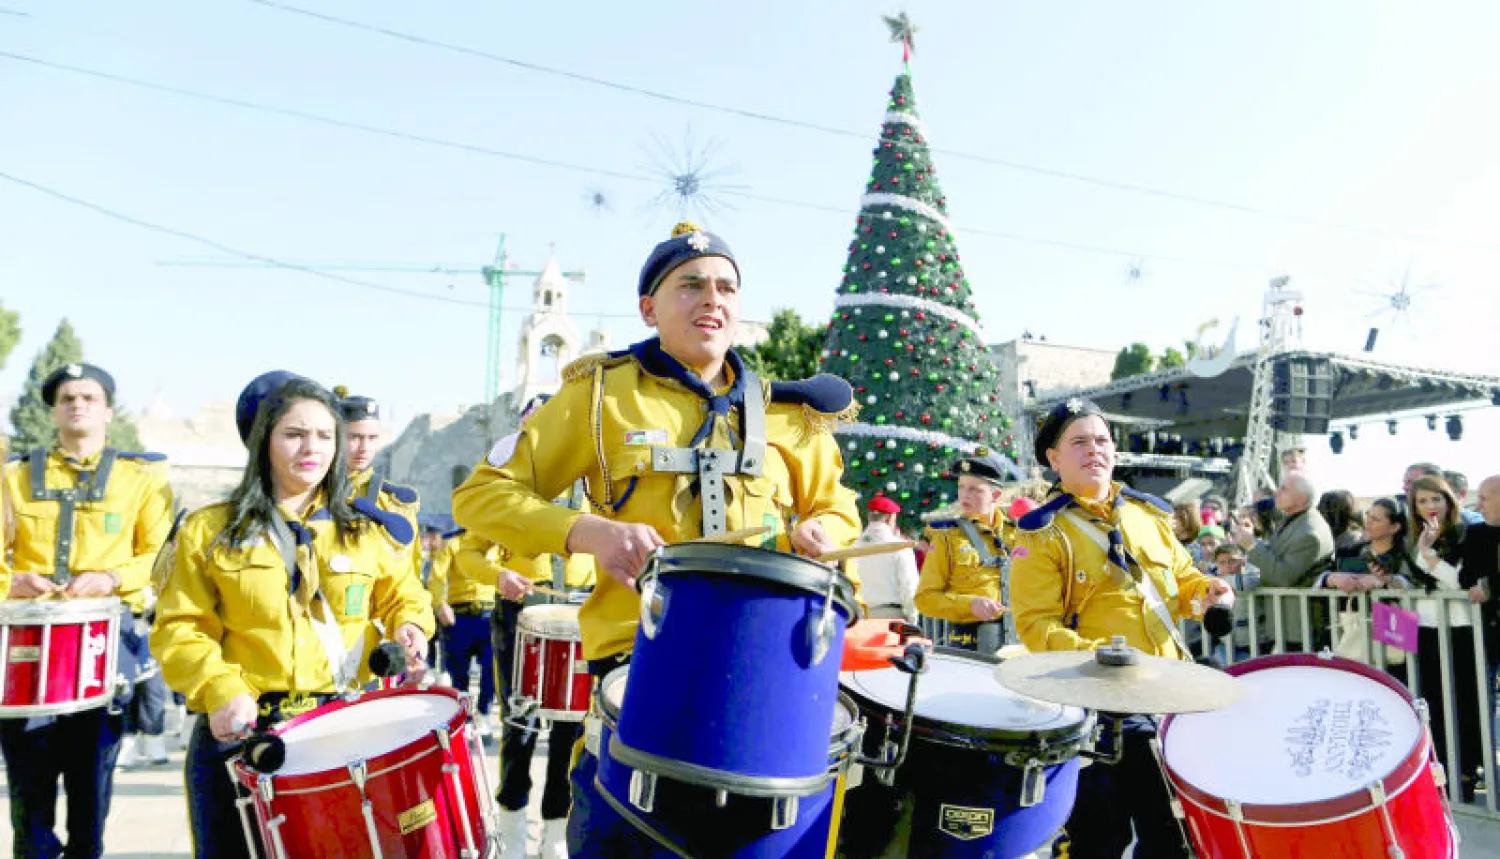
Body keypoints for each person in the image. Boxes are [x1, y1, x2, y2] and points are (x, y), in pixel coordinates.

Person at [451, 221, 862, 855]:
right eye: (691, 285)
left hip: (770, 671)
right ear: (649, 306)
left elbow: (840, 511)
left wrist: (823, 531)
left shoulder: (791, 414)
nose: (712, 299)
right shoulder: (596, 397)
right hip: (642, 664)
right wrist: (589, 532)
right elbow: (480, 495)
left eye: (727, 287)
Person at [151, 372, 434, 859]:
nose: (313, 448)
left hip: (339, 731)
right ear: (265, 442)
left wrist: (411, 623)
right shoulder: (209, 529)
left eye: (325, 435)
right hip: (245, 736)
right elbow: (181, 626)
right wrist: (221, 690)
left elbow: (401, 592)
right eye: (295, 434)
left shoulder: (365, 527)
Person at [1010, 398, 1230, 859]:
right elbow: (1036, 626)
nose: (1095, 451)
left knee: (1173, 835)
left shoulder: (1147, 513)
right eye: (1080, 442)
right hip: (1096, 708)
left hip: (1166, 702)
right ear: (1054, 458)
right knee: (1097, 841)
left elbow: (1182, 579)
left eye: (1103, 440)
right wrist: (1104, 659)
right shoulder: (1042, 532)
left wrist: (1206, 591)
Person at [0, 362, 175, 859]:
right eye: (67, 398)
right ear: (54, 410)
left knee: (90, 790)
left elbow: (162, 555)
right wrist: (11, 581)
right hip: (29, 648)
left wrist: (114, 577)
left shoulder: (139, 477)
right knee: (28, 795)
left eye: (89, 398)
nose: (77, 405)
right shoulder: (12, 477)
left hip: (102, 642)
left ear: (108, 410)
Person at [492, 547, 596, 859]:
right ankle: (512, 825)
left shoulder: (599, 496)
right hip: (521, 610)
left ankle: (555, 828)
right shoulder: (511, 498)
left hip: (583, 608)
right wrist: (497, 575)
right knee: (520, 725)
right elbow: (470, 551)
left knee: (572, 730)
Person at [1403, 474, 1483, 800]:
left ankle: (1466, 773)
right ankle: (1440, 772)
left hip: (1462, 627)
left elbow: (1458, 582)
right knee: (1432, 700)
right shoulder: (1415, 536)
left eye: (1436, 499)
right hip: (1424, 626)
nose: (1430, 507)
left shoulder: (1466, 532)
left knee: (1465, 702)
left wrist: (1428, 552)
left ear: (1449, 500)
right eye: (1422, 501)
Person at [916, 451, 1014, 652]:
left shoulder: (1018, 532)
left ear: (995, 495)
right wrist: (970, 604)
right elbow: (925, 599)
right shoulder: (947, 537)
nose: (964, 495)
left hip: (1018, 640)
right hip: (968, 643)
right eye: (961, 487)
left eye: (974, 489)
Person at [1229, 472, 1335, 651]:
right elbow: (1274, 556)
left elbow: (1283, 576)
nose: (1277, 492)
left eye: (1284, 489)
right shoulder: (1294, 521)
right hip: (1285, 627)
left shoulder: (1310, 533)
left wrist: (1253, 546)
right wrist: (1252, 541)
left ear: (1301, 499)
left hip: (1301, 631)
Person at [430, 526, 501, 737]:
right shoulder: (453, 543)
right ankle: (465, 718)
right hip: (459, 616)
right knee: (458, 673)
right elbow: (437, 577)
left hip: (490, 615)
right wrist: (439, 603)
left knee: (491, 669)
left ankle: (484, 712)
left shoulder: (496, 542)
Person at [857, 494, 919, 623]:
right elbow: (909, 587)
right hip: (892, 618)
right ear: (890, 518)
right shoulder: (901, 548)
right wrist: (913, 617)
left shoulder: (853, 547)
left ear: (869, 517)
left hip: (861, 618)